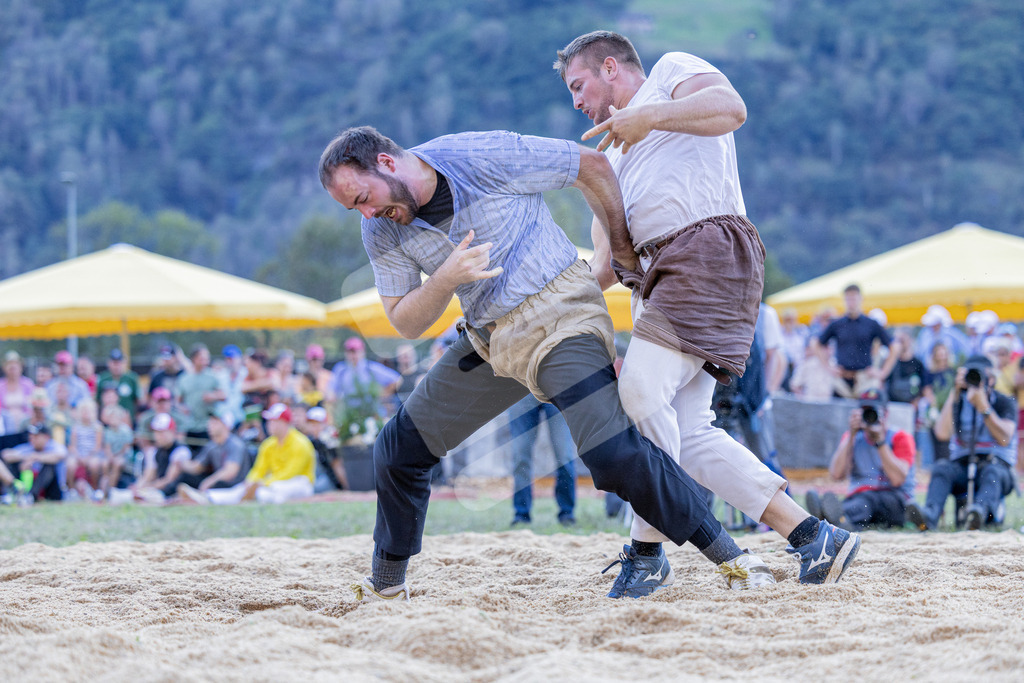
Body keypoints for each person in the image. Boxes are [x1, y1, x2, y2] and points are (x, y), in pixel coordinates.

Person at [319, 124, 786, 605]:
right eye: (355, 208)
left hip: (562, 318)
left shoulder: (480, 154)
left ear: (388, 163)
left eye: (363, 197)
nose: (368, 212)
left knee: (609, 453)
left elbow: (594, 165)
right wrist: (443, 280)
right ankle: (387, 586)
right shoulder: (380, 227)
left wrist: (620, 252)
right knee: (397, 451)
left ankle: (735, 558)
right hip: (492, 340)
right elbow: (405, 321)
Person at [554, 30, 857, 592]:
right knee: (690, 432)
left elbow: (731, 109)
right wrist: (537, 305)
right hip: (657, 279)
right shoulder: (607, 161)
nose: (575, 101)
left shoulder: (672, 71)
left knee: (640, 394)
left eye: (579, 85)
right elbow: (600, 264)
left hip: (707, 251)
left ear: (612, 68)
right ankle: (814, 536)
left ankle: (647, 551)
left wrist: (652, 118)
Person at [907, 356, 1017, 531]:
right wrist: (955, 392)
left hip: (995, 465)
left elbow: (1005, 438)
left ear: (992, 379)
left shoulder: (1004, 402)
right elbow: (942, 433)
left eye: (979, 375)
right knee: (942, 468)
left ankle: (978, 513)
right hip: (963, 464)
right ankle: (929, 515)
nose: (975, 380)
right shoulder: (958, 401)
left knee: (992, 473)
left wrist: (983, 407)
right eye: (970, 375)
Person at [807, 390, 915, 530]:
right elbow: (836, 474)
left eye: (873, 411)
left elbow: (898, 479)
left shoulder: (899, 437)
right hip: (860, 498)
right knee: (861, 501)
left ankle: (832, 519)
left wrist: (880, 442)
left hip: (895, 499)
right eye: (865, 411)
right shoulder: (853, 438)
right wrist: (851, 436)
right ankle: (838, 520)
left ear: (885, 414)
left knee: (867, 501)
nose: (869, 416)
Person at [200, 403, 315, 505]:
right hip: (273, 483)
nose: (270, 424)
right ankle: (211, 497)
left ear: (284, 423)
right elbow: (259, 469)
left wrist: (263, 483)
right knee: (248, 489)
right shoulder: (268, 444)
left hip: (297, 484)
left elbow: (290, 473)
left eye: (274, 421)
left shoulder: (301, 443)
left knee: (272, 489)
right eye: (270, 421)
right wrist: (251, 482)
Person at [816, 284, 899, 398]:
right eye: (848, 299)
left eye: (854, 298)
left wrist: (883, 373)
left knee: (865, 413)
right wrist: (827, 366)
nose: (851, 302)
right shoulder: (837, 324)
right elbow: (816, 343)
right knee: (838, 414)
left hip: (864, 379)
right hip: (841, 379)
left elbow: (894, 346)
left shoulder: (871, 324)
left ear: (861, 299)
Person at [508, 393, 577, 527]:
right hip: (520, 389)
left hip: (555, 387)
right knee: (520, 456)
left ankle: (567, 514)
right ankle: (521, 514)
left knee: (564, 455)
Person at [175, 406, 253, 502]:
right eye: (210, 422)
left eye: (215, 422)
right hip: (218, 481)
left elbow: (230, 472)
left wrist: (209, 481)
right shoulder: (211, 445)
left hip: (235, 485)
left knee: (216, 484)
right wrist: (181, 462)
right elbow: (197, 467)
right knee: (186, 478)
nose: (210, 425)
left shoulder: (235, 444)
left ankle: (199, 497)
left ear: (226, 425)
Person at [328, 337, 401, 432]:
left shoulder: (372, 368)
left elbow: (397, 380)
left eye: (356, 351)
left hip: (373, 417)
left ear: (362, 352)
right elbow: (330, 393)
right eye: (350, 352)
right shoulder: (341, 370)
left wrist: (383, 393)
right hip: (349, 418)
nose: (353, 355)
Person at [174, 343, 226, 453]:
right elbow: (177, 401)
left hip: (207, 426)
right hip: (189, 425)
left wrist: (213, 396)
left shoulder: (212, 376)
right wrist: (182, 408)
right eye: (201, 358)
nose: (205, 361)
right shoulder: (184, 379)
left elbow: (224, 396)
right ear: (194, 359)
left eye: (206, 358)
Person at [0, 423, 67, 502]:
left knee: (50, 464)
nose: (32, 439)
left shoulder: (54, 446)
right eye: (31, 436)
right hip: (30, 483)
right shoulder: (29, 447)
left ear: (46, 437)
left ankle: (30, 496)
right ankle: (17, 493)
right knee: (14, 462)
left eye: (36, 436)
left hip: (53, 489)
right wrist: (25, 458)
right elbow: (5, 454)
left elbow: (61, 455)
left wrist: (36, 457)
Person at [95, 348, 142, 424]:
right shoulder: (103, 378)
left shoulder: (131, 378)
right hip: (107, 421)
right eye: (114, 362)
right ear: (109, 363)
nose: (116, 366)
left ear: (124, 363)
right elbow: (98, 400)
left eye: (119, 362)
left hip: (126, 420)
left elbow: (138, 400)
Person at [1, 350, 35, 432]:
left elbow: (32, 406)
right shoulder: (1, 385)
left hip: (25, 422)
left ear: (20, 367)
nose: (12, 368)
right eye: (9, 365)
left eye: (15, 365)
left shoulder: (28, 384)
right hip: (4, 422)